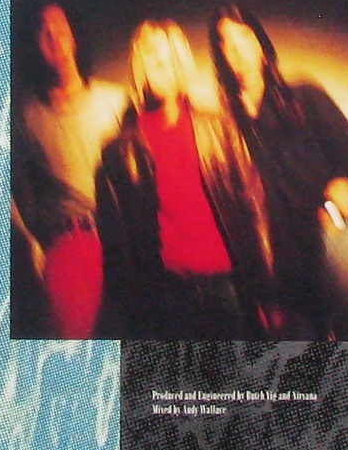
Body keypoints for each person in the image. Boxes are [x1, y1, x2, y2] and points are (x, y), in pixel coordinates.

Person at [96, 20, 275, 339]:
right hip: (167, 296)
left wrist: (267, 291)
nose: (162, 62)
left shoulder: (219, 128)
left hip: (228, 287)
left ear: (182, 61)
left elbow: (253, 207)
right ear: (138, 64)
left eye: (170, 53)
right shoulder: (118, 152)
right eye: (152, 53)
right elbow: (116, 246)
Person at [210, 4, 348, 340]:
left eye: (243, 38)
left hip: (328, 235)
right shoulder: (226, 127)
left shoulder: (304, 97)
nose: (237, 50)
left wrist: (340, 187)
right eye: (226, 43)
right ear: (220, 57)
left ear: (260, 45)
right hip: (279, 258)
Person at [11, 3, 128, 338]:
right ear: (34, 44)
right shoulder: (26, 114)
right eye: (43, 32)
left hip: (123, 244)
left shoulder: (116, 100)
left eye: (60, 29)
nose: (54, 38)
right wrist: (30, 242)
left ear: (74, 36)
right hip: (69, 247)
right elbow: (3, 183)